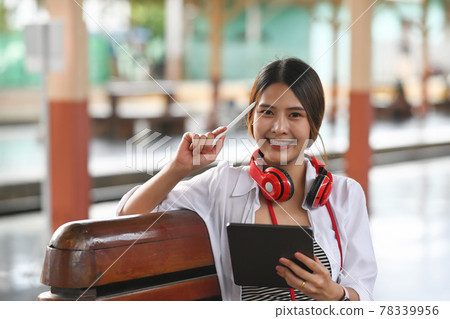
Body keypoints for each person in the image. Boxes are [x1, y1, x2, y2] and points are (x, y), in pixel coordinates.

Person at [116, 58, 377, 301]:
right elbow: (130, 214)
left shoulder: (344, 195)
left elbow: (363, 290)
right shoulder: (224, 184)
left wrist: (336, 295)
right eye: (267, 112)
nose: (279, 127)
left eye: (295, 115)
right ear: (251, 120)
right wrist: (178, 168)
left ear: (313, 125)